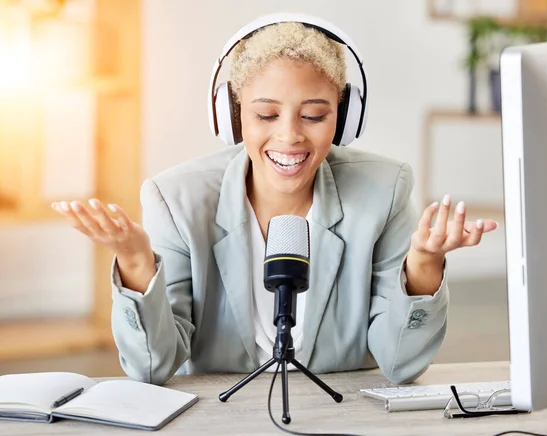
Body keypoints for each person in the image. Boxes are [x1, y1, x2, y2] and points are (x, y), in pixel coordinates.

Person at [51, 14, 497, 386]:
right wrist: (134, 263)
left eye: (314, 115)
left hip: (339, 421)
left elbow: (400, 364)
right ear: (233, 114)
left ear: (343, 117)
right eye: (266, 114)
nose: (289, 135)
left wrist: (422, 266)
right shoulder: (177, 200)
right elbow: (153, 366)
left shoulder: (384, 190)